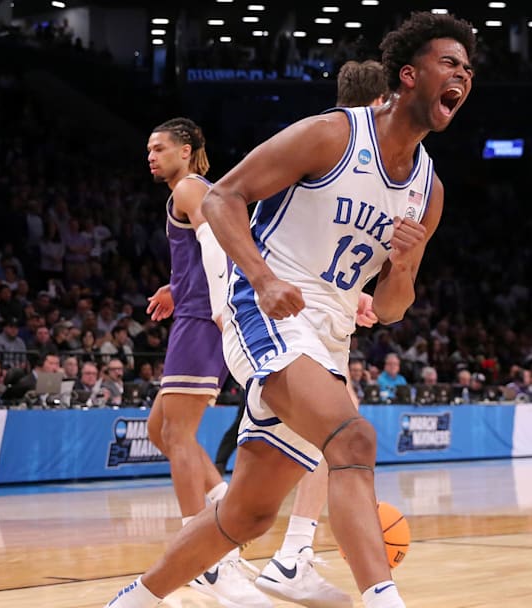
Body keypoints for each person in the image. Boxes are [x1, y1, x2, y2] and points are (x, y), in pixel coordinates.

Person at [105, 12, 476, 608]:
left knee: (247, 516)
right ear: (408, 75)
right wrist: (262, 276)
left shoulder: (427, 189)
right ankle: (385, 601)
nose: (463, 74)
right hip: (268, 305)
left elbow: (388, 308)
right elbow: (225, 196)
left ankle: (134, 600)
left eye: (468, 68)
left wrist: (404, 267)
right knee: (352, 439)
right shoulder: (333, 135)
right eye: (449, 62)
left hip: (328, 333)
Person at [252, 57, 390, 607]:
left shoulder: (366, 167)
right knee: (342, 433)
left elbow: (324, 240)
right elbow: (232, 208)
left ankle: (271, 555)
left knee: (264, 481)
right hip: (276, 316)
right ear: (385, 102)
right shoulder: (325, 142)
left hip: (313, 320)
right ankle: (293, 555)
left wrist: (357, 292)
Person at [142, 117, 270, 607]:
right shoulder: (204, 190)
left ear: (187, 149)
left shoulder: (189, 190)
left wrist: (218, 307)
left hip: (202, 319)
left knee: (176, 435)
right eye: (148, 150)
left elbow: (217, 250)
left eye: (159, 148)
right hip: (195, 309)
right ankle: (222, 520)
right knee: (160, 430)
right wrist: (177, 286)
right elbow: (223, 250)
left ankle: (201, 558)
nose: (151, 156)